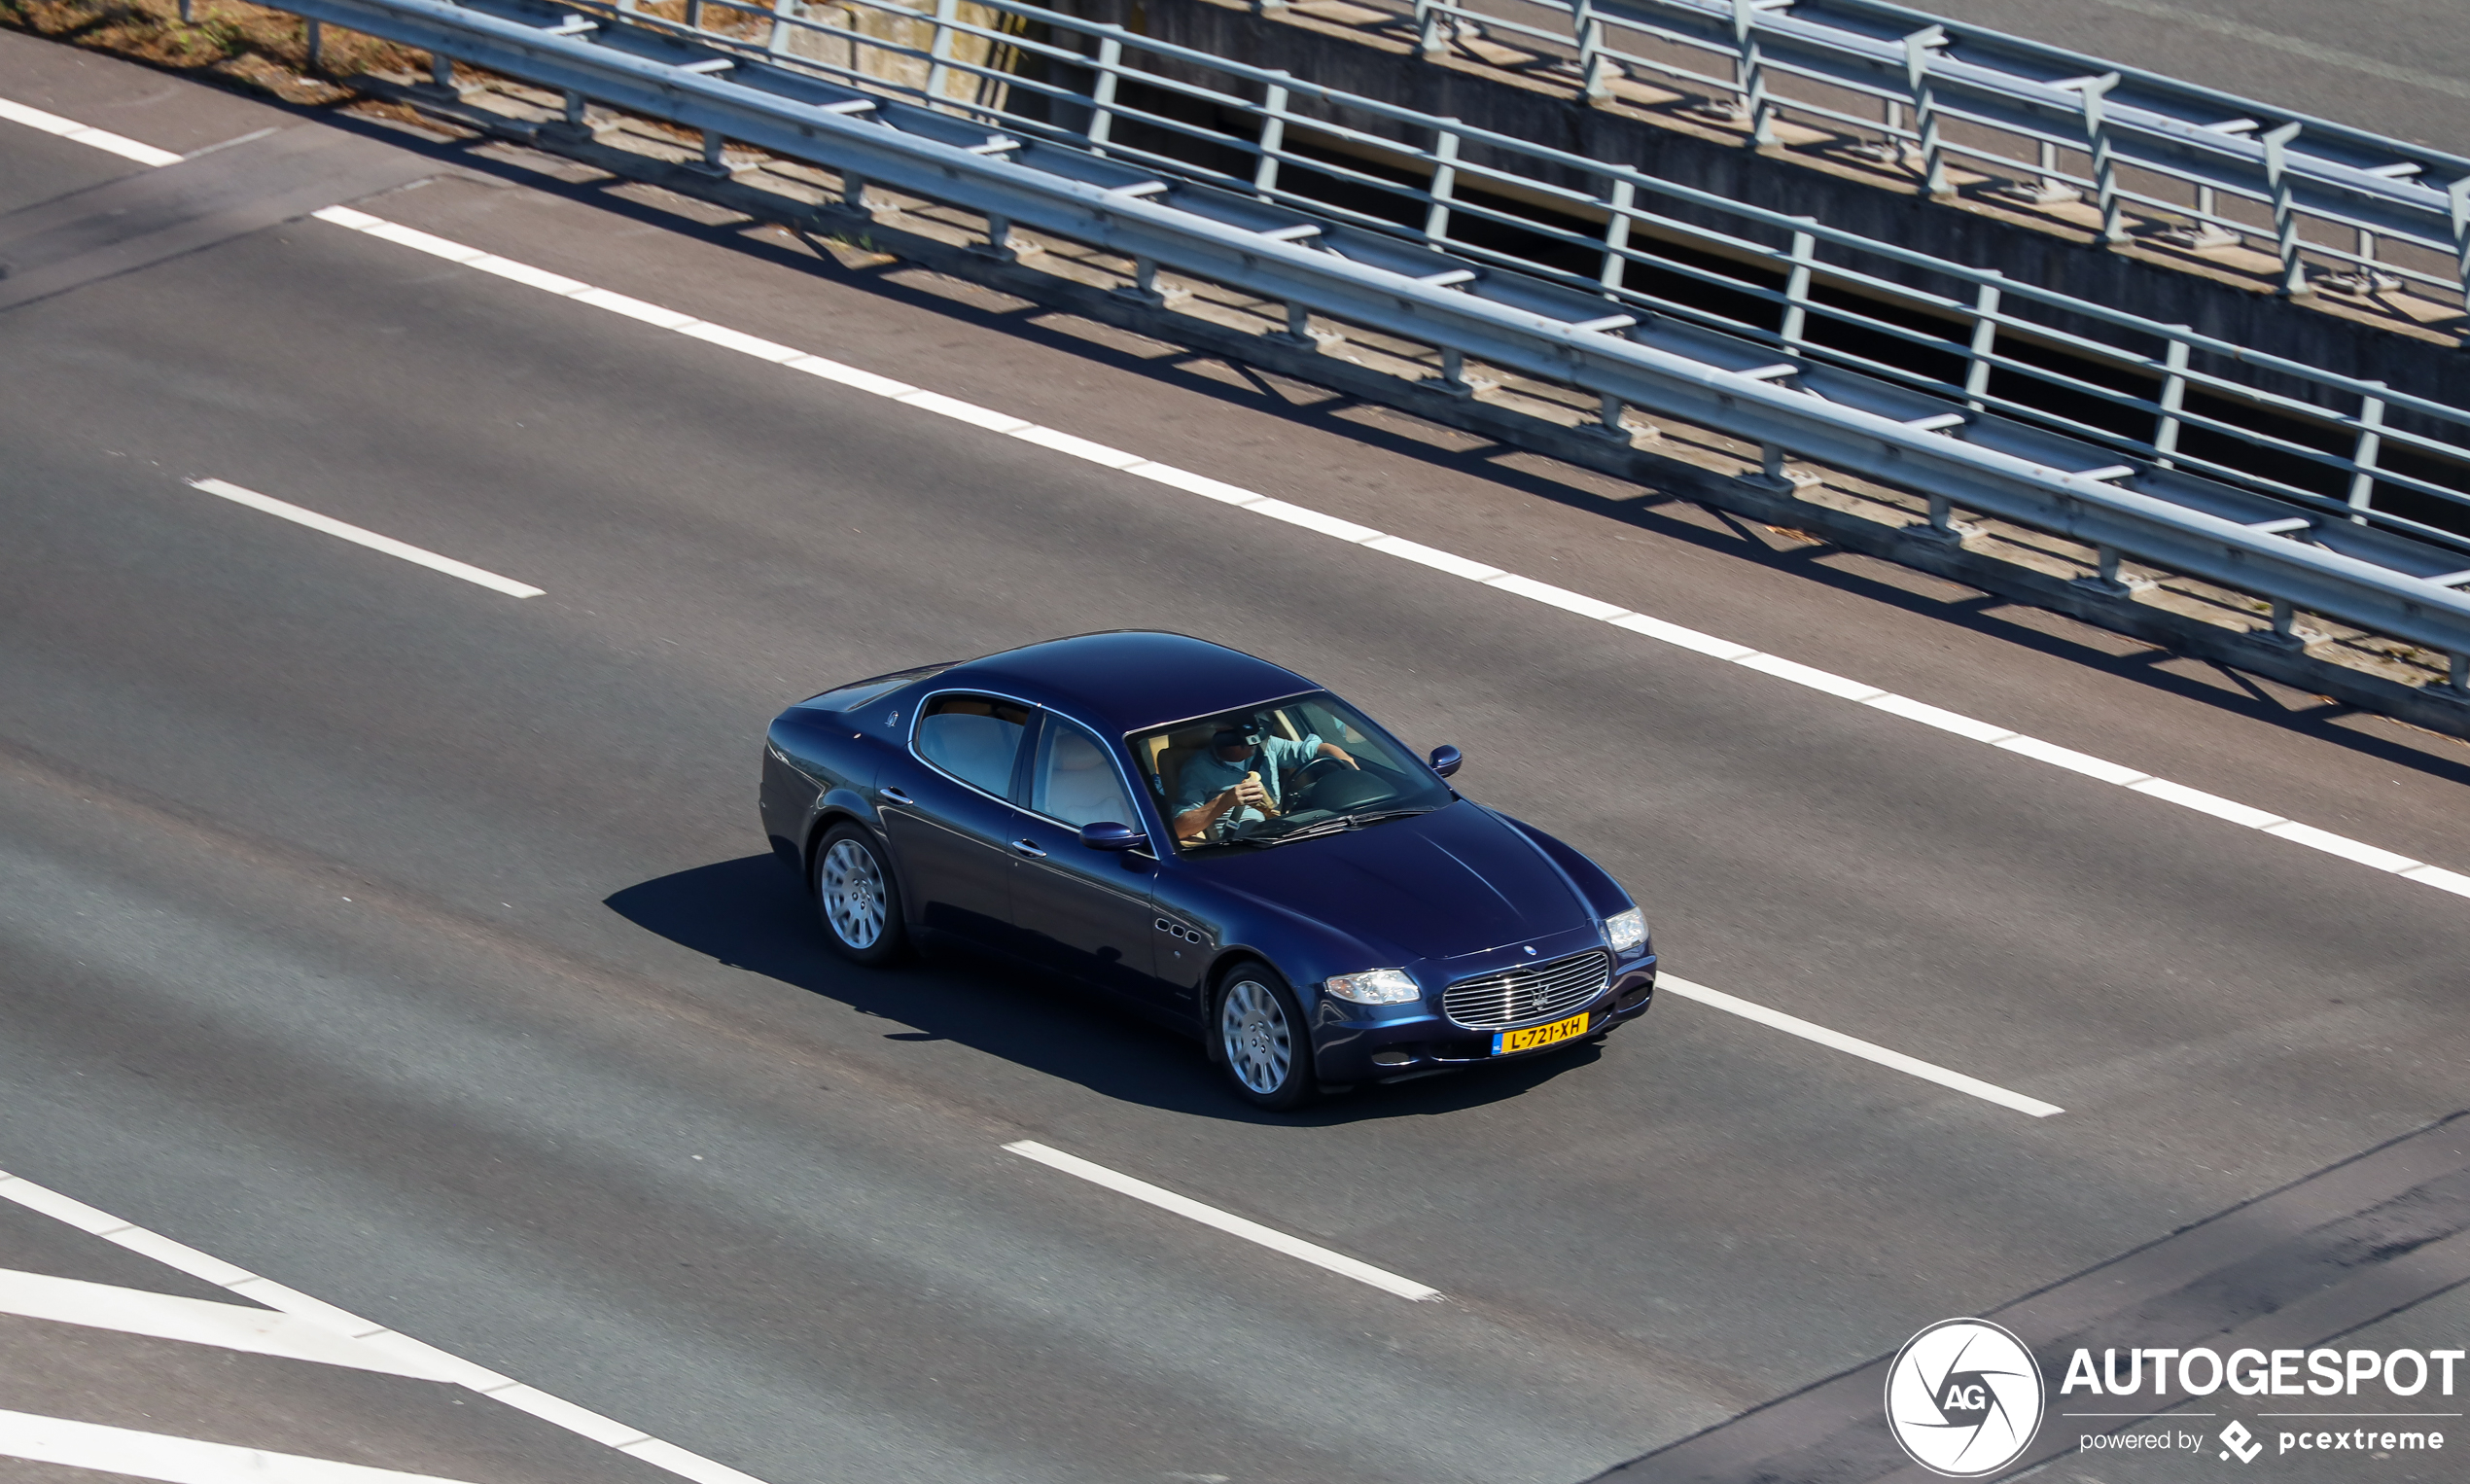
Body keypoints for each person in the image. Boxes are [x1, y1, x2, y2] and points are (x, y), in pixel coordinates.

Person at [1172, 717, 1356, 841]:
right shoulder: (1197, 769)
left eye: (1256, 740)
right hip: (1246, 843)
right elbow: (1179, 829)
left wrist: (1347, 763)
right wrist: (1224, 801)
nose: (1254, 747)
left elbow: (1318, 749)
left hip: (1286, 830)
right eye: (1244, 744)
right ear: (1222, 740)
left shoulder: (1267, 746)